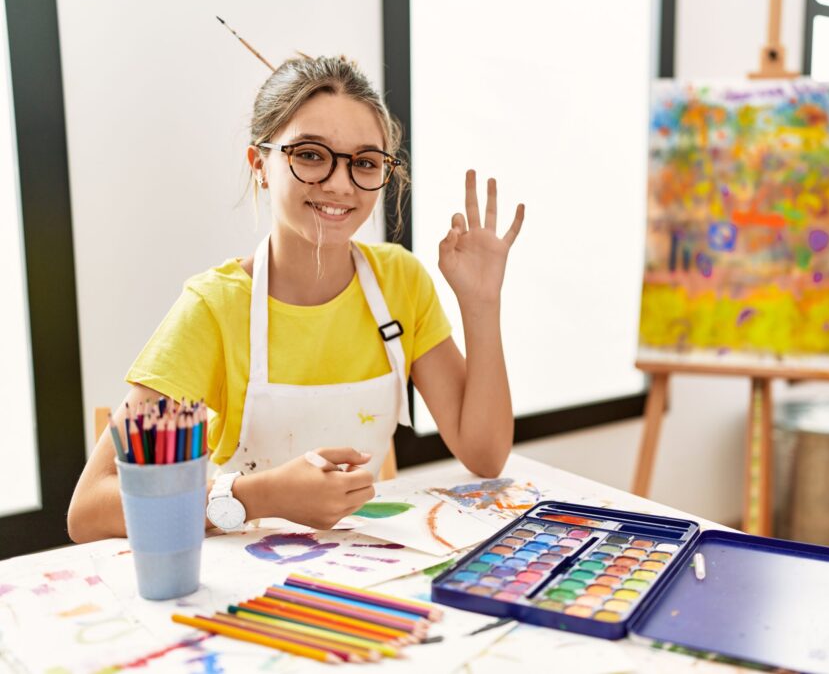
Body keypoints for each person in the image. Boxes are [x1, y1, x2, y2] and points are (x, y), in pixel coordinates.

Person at [67, 55, 524, 543]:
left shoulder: (400, 281)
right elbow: (90, 508)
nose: (341, 184)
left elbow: (485, 456)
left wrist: (481, 305)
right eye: (310, 154)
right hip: (248, 578)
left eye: (365, 162)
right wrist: (258, 496)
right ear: (260, 164)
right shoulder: (214, 307)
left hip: (369, 566)